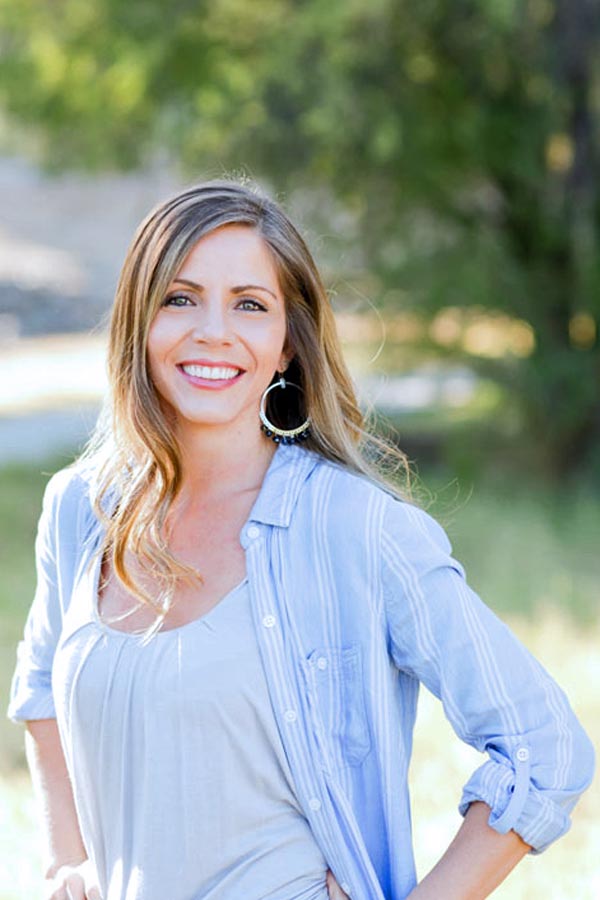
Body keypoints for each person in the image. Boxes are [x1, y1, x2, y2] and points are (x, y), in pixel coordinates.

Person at [8, 180, 594, 900]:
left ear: (288, 344)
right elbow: (41, 692)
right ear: (139, 320)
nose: (213, 331)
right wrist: (66, 865)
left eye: (250, 305)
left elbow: (544, 746)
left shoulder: (354, 530)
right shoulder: (82, 510)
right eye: (180, 298)